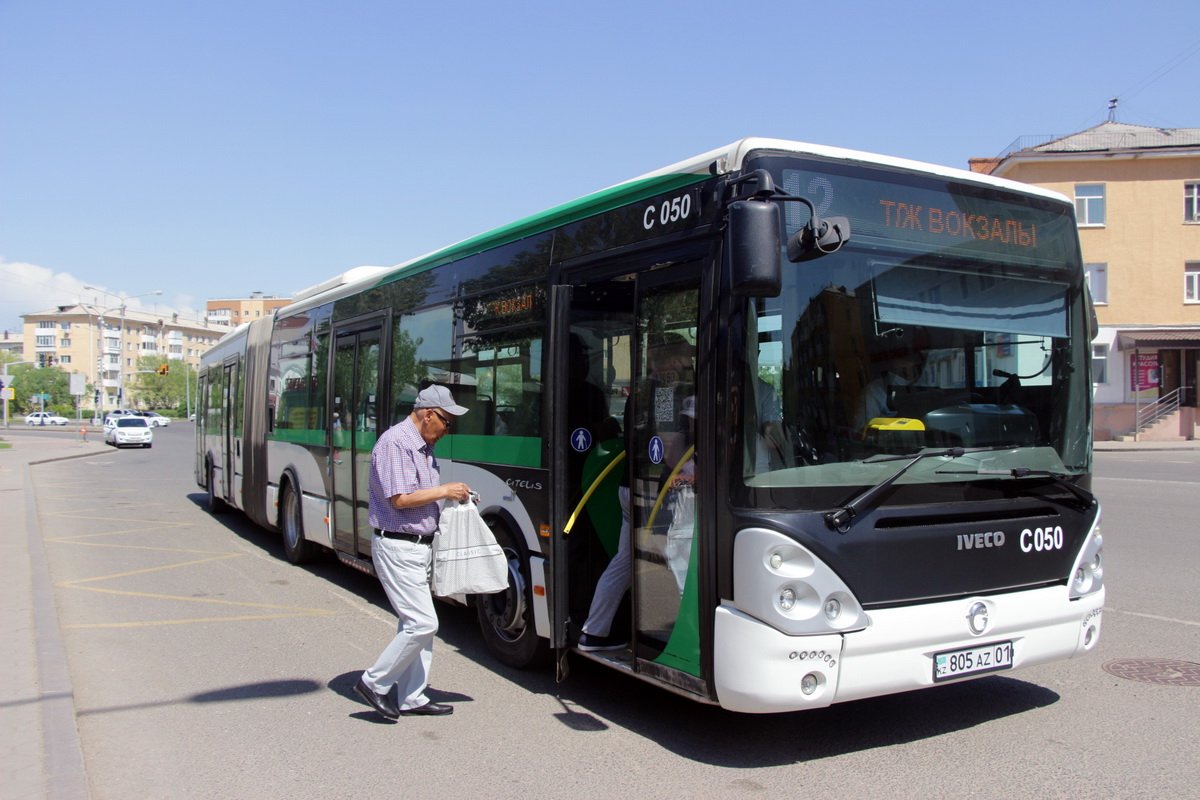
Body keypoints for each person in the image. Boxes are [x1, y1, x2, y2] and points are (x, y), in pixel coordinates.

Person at [354, 384, 472, 719]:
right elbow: (400, 499)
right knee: (422, 623)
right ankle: (374, 683)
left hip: (418, 547)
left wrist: (451, 495)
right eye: (447, 423)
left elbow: (421, 493)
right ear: (428, 414)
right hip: (397, 545)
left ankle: (412, 696)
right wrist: (444, 489)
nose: (447, 431)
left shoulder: (422, 445)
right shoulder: (396, 442)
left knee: (415, 622)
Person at [577, 335, 694, 652]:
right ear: (669, 361)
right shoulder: (664, 394)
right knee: (681, 560)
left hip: (630, 488)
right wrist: (689, 471)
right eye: (684, 358)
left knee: (623, 561)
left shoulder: (638, 393)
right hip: (654, 492)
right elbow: (670, 449)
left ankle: (594, 633)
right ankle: (689, 641)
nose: (688, 365)